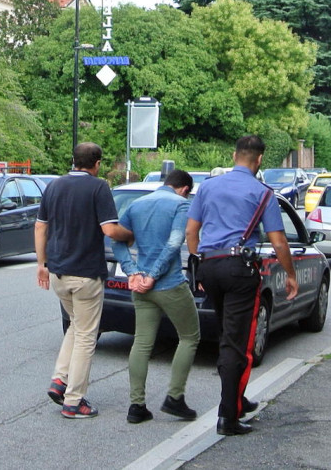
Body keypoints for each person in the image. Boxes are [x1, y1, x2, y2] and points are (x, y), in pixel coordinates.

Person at [186, 135, 298, 436]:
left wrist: (199, 259)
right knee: (237, 342)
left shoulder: (207, 186)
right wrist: (290, 274)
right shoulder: (262, 193)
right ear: (259, 160)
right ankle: (228, 417)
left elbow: (191, 230)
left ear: (234, 155)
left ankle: (237, 398)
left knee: (226, 333)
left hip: (209, 266)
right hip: (239, 270)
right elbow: (278, 240)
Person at [35, 142, 133, 419]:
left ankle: (60, 379)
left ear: (73, 160)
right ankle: (74, 400)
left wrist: (41, 264)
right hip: (86, 273)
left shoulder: (53, 186)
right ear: (97, 163)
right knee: (87, 336)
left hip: (58, 273)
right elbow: (110, 230)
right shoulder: (98, 187)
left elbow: (40, 226)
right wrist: (130, 234)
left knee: (77, 327)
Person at [111, 170, 201, 424]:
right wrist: (153, 274)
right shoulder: (181, 204)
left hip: (141, 288)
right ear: (184, 188)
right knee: (190, 337)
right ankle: (175, 398)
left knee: (141, 343)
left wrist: (133, 271)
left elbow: (118, 240)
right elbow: (174, 243)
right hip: (170, 284)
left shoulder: (137, 204)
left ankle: (136, 406)